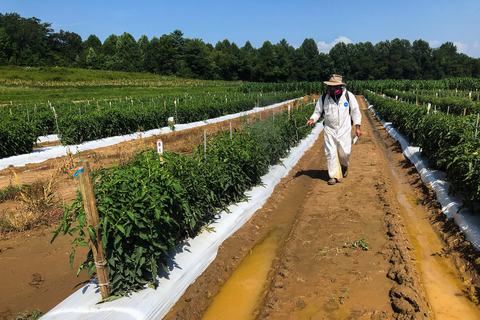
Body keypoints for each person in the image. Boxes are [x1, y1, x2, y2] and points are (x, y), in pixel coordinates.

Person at [306, 74, 362, 185]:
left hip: (344, 129)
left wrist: (357, 127)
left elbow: (355, 111)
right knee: (330, 153)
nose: (331, 88)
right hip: (329, 129)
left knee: (344, 152)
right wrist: (312, 119)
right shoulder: (324, 98)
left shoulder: (348, 96)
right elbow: (317, 112)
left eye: (334, 86)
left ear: (340, 86)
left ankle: (344, 166)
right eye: (330, 86)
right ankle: (333, 176)